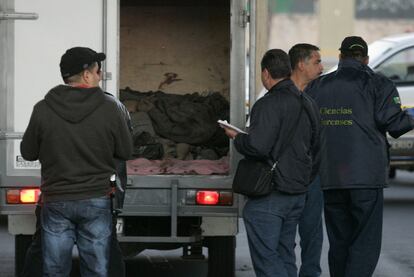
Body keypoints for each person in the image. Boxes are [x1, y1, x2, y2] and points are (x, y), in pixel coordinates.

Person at [306, 36, 414, 277]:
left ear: (341, 56)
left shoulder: (317, 86)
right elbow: (394, 125)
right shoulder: (379, 84)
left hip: (329, 176)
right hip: (366, 176)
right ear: (365, 59)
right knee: (365, 242)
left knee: (339, 241)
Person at [20, 47, 133, 276]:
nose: (101, 75)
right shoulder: (111, 108)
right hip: (96, 199)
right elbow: (125, 151)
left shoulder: (43, 108)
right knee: (96, 270)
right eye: (98, 70)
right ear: (87, 74)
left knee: (54, 269)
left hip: (56, 200)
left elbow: (28, 152)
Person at [222, 49, 320, 277]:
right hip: (297, 192)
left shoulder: (268, 104)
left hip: (270, 194)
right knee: (285, 253)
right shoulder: (309, 103)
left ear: (266, 73)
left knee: (267, 258)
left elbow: (257, 146)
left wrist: (237, 137)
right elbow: (317, 148)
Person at [288, 43, 324, 277]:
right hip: (288, 177)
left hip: (312, 175)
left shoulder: (318, 91)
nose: (322, 67)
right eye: (317, 62)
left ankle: (310, 274)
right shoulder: (279, 95)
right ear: (301, 64)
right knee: (286, 234)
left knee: (312, 232)